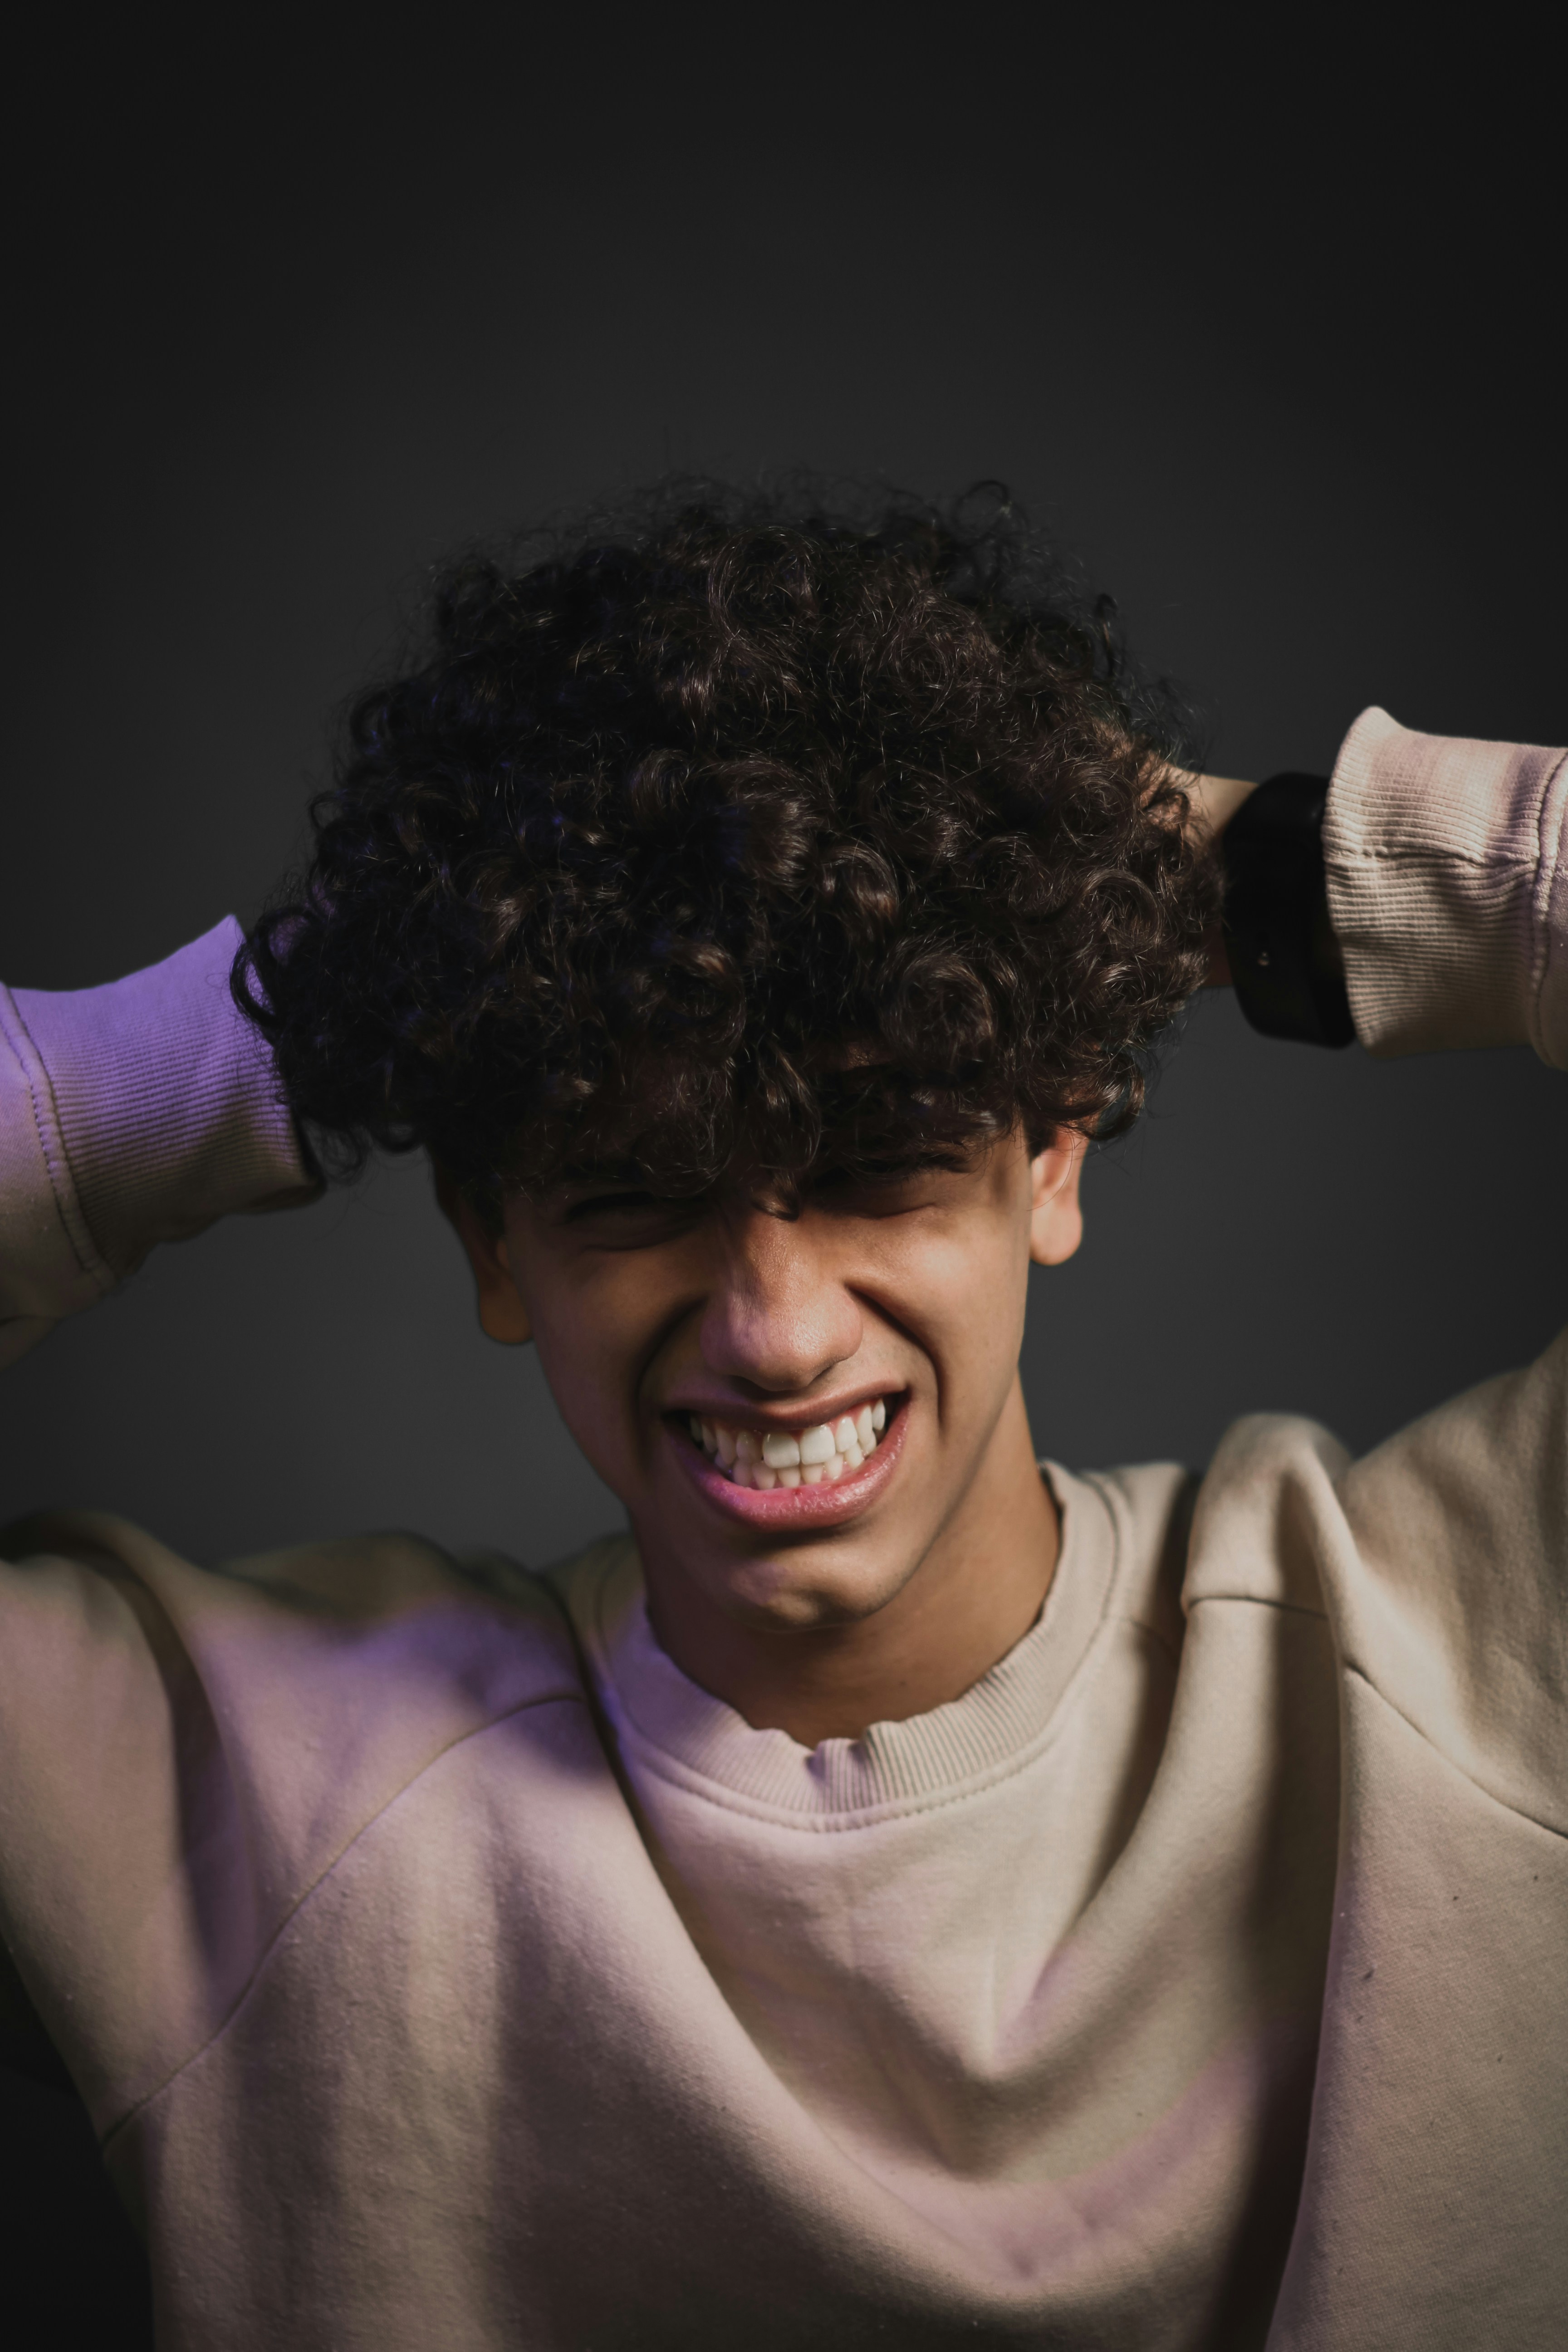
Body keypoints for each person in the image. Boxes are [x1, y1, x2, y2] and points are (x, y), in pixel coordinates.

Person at [0, 487, 1563, 2350]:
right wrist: (309, 1018)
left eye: (883, 1158)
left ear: (1053, 1152)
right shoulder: (232, 1795)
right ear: (492, 1243)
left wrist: (1253, 875)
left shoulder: (1473, 1644)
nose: (774, 1324)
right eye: (633, 1192)